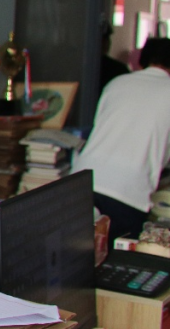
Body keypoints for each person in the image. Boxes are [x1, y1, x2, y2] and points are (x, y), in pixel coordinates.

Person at [73, 38, 170, 241]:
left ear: (141, 61)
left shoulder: (117, 83)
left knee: (78, 250)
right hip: (128, 192)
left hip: (83, 179)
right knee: (116, 256)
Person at [98, 19, 130, 97]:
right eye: (105, 39)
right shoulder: (118, 69)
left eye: (107, 39)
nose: (107, 43)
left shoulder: (118, 69)